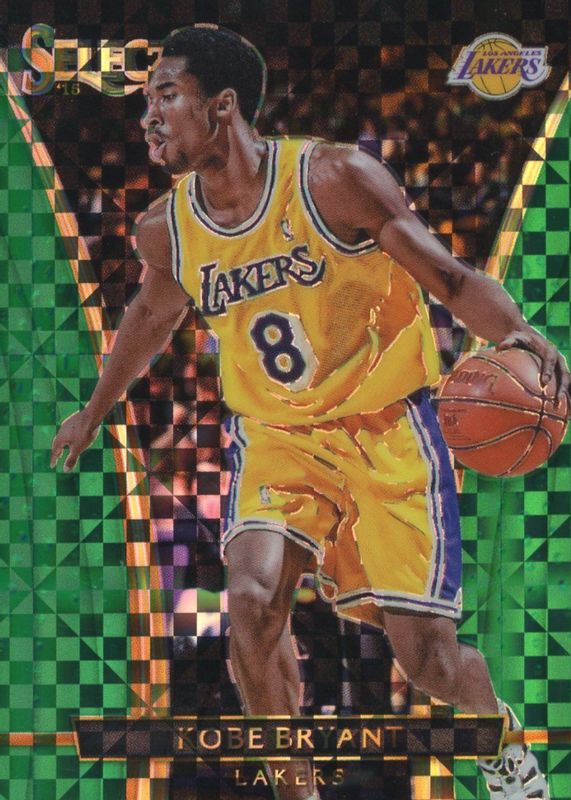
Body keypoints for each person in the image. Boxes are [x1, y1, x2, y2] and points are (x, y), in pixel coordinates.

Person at [51, 25, 568, 800]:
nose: (147, 116)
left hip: (384, 428)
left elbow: (449, 279)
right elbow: (152, 316)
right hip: (275, 436)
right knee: (251, 603)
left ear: (221, 106)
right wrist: (94, 410)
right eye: (146, 99)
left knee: (429, 663)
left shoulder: (333, 179)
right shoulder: (167, 228)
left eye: (166, 95)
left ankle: (499, 742)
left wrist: (517, 332)